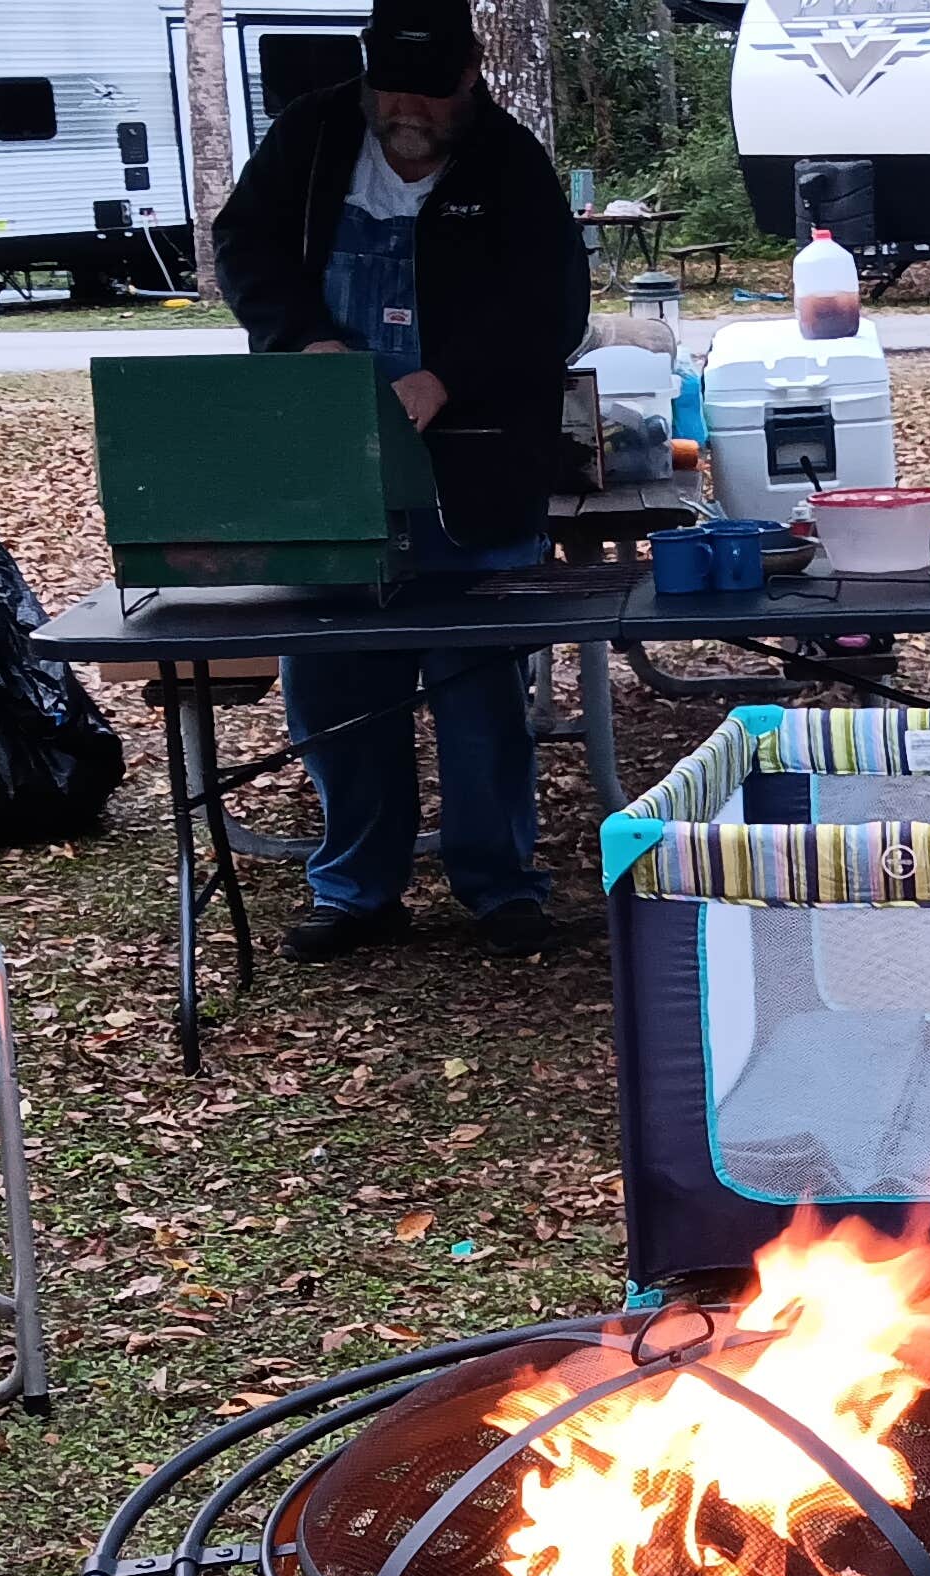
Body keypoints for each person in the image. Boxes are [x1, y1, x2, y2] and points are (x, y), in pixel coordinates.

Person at [213, 0, 589, 961]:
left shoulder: (511, 164)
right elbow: (245, 247)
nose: (407, 110)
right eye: (391, 89)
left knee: (478, 696)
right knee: (337, 688)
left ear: (472, 79)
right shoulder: (309, 137)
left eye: (430, 91)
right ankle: (355, 888)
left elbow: (551, 305)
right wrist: (308, 340)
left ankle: (500, 887)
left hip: (478, 464)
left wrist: (447, 374)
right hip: (328, 464)